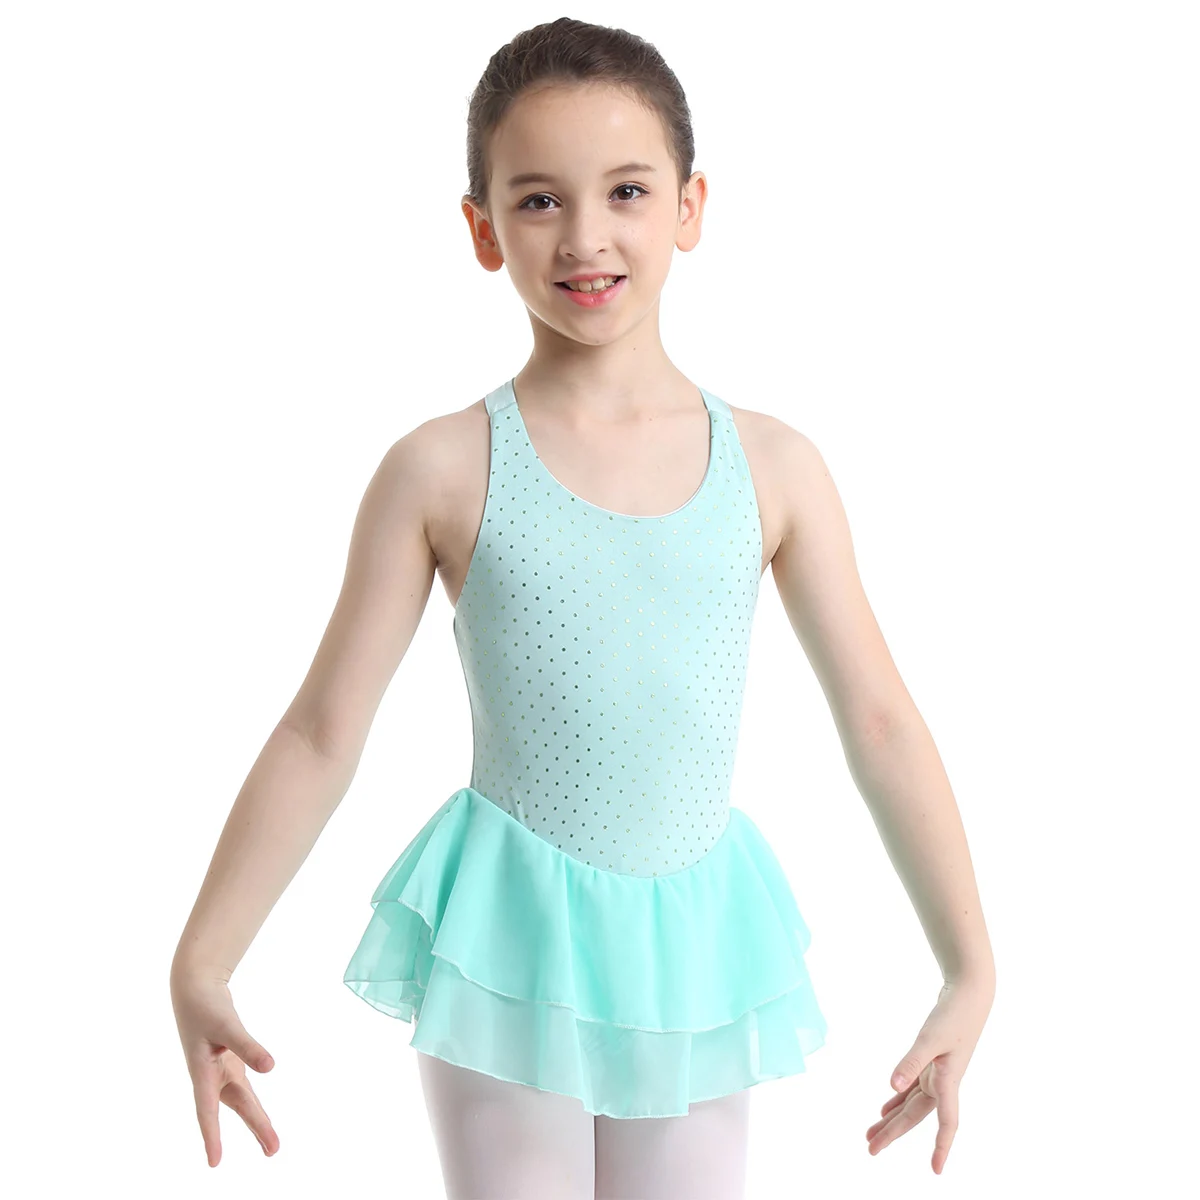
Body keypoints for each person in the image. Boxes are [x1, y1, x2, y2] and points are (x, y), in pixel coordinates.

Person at [170, 16, 995, 1197]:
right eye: (540, 200)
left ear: (691, 207)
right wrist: (203, 960)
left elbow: (879, 721)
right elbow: (321, 731)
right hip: (512, 937)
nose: (586, 236)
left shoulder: (775, 468)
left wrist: (969, 968)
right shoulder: (442, 468)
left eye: (627, 191)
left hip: (695, 949)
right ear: (482, 228)